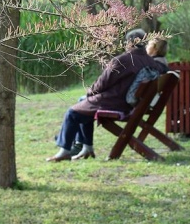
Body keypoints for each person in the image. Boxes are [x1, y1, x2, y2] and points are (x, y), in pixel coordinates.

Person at [46, 29, 163, 162]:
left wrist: (90, 93)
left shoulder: (123, 60)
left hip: (116, 102)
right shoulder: (152, 62)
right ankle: (87, 148)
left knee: (72, 113)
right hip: (134, 104)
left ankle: (65, 151)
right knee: (83, 105)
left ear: (129, 43)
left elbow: (102, 83)